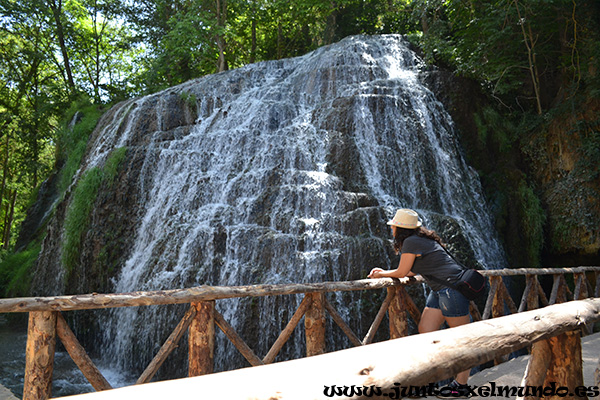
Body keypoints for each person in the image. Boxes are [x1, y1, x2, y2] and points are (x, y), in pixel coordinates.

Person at [368, 208, 472, 399]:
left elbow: (401, 273)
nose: (391, 229)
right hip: (440, 290)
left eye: (393, 226)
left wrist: (381, 273)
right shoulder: (421, 240)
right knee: (426, 330)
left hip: (451, 290)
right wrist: (386, 271)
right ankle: (428, 381)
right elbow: (409, 271)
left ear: (399, 228)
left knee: (462, 339)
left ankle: (461, 385)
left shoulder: (411, 242)